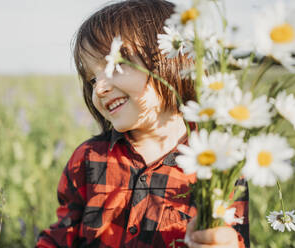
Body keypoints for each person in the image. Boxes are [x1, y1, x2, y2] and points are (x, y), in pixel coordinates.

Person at [36, 0, 249, 247]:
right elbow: (61, 236)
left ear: (171, 58)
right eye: (92, 80)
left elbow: (238, 235)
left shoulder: (221, 164)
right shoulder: (87, 158)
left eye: (115, 65)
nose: (100, 88)